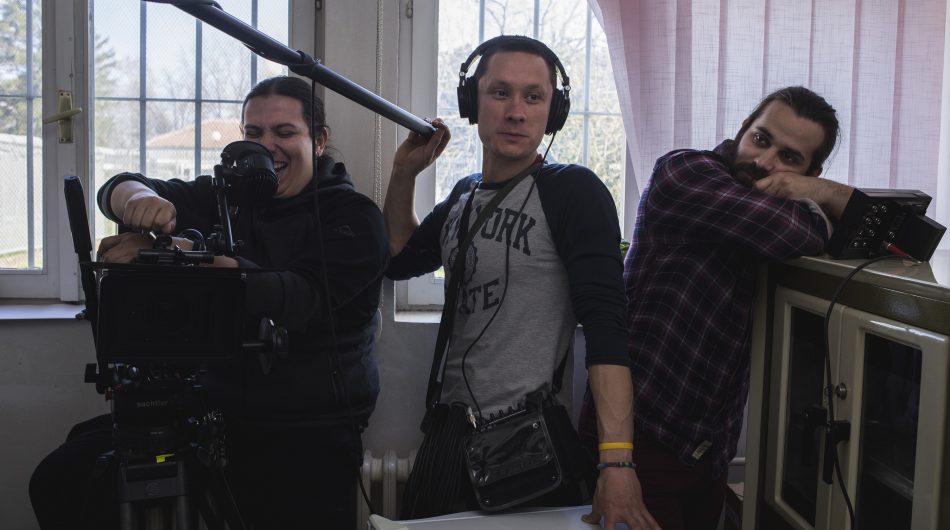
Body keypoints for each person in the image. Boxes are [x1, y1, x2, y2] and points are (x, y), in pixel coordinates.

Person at [29, 75, 389, 530]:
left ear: (318, 141)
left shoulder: (354, 218)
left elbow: (298, 296)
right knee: (62, 478)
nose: (267, 147)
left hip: (307, 425)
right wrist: (138, 199)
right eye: (254, 133)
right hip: (212, 411)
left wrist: (182, 255)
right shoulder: (228, 195)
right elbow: (117, 188)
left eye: (284, 132)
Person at [384, 35, 655, 529]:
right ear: (472, 103)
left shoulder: (573, 191)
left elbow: (607, 328)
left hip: (524, 445)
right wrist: (404, 174)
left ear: (553, 113)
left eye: (534, 97)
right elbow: (398, 259)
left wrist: (617, 463)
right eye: (500, 93)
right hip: (447, 433)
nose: (516, 112)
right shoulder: (464, 196)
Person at [579, 86, 855, 530]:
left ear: (811, 172)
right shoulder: (686, 171)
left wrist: (816, 191)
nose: (764, 162)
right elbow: (795, 232)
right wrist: (816, 199)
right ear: (743, 129)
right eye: (761, 139)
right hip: (635, 439)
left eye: (789, 158)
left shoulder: (777, 200)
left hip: (707, 452)